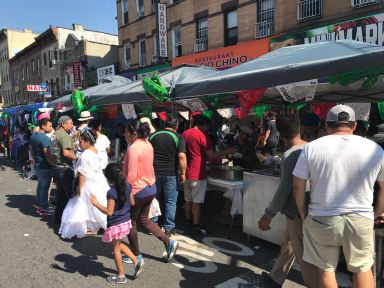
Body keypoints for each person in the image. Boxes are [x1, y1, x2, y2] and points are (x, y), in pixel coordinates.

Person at [292, 104, 384, 288]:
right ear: (354, 125)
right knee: (362, 268)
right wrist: (378, 211)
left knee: (326, 269)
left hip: (321, 216)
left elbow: (297, 185)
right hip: (361, 217)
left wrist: (302, 211)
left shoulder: (312, 148)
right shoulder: (375, 149)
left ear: (327, 125)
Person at [258, 114, 318, 288]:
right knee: (289, 243)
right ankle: (275, 278)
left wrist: (268, 215)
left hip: (297, 211)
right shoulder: (312, 147)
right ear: (299, 128)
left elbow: (286, 188)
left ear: (281, 135)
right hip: (313, 206)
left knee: (303, 256)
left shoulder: (290, 155)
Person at [123, 119, 179, 264]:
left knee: (130, 222)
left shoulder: (134, 148)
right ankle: (168, 242)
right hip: (150, 187)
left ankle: (135, 255)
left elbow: (131, 175)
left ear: (133, 133)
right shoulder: (147, 144)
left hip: (138, 189)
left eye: (125, 131)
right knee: (144, 219)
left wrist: (128, 193)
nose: (124, 134)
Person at [90, 163, 144, 283]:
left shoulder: (111, 192)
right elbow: (132, 202)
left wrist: (96, 203)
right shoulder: (128, 186)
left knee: (115, 249)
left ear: (109, 178)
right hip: (125, 221)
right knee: (118, 244)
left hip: (116, 224)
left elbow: (109, 212)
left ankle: (121, 275)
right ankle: (136, 261)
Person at [182, 114, 236, 235]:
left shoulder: (185, 133)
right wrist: (227, 151)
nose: (208, 128)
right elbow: (211, 154)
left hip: (187, 171)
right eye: (207, 126)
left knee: (187, 200)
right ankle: (196, 225)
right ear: (204, 125)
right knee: (197, 202)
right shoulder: (202, 135)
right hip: (198, 173)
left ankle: (187, 223)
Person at [59, 128, 110, 238]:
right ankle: (97, 225)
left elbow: (82, 174)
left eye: (81, 142)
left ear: (87, 143)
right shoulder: (97, 150)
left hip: (88, 181)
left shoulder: (85, 154)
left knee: (83, 202)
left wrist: (80, 189)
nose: (79, 144)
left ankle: (87, 226)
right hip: (99, 180)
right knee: (97, 201)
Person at [149, 118, 187, 236]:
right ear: (176, 126)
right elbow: (182, 156)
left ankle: (153, 225)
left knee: (155, 200)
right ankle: (169, 227)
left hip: (154, 172)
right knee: (170, 202)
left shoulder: (153, 135)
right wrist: (183, 173)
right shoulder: (178, 137)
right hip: (170, 173)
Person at [47, 116, 78, 224]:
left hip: (56, 167)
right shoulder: (64, 136)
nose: (72, 125)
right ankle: (67, 220)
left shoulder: (54, 134)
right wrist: (78, 158)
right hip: (65, 168)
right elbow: (66, 153)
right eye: (70, 123)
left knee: (60, 194)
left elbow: (49, 152)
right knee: (68, 194)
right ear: (63, 124)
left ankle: (59, 217)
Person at [29, 118, 54, 215]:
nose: (51, 128)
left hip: (38, 164)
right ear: (43, 126)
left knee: (40, 185)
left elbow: (30, 149)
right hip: (45, 165)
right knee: (45, 186)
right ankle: (44, 207)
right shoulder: (44, 138)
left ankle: (40, 204)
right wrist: (52, 163)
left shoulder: (33, 136)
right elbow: (47, 153)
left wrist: (35, 160)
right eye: (50, 126)